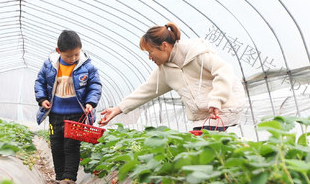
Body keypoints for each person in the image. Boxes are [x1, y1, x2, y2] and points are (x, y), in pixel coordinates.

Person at [97, 22, 247, 130]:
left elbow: (224, 70)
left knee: (202, 149)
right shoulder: (164, 70)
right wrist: (117, 109)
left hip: (226, 106)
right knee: (199, 151)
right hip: (202, 116)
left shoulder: (196, 53)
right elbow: (145, 91)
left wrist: (216, 100)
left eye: (150, 52)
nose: (149, 57)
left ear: (164, 46)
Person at [35, 29, 102, 184]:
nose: (73, 58)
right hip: (54, 115)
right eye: (68, 56)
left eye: (76, 54)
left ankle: (69, 179)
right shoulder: (50, 65)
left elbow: (95, 86)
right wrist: (42, 99)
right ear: (59, 51)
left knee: (71, 146)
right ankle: (59, 177)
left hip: (76, 115)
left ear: (81, 49)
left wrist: (90, 103)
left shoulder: (87, 67)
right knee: (56, 144)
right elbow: (40, 83)